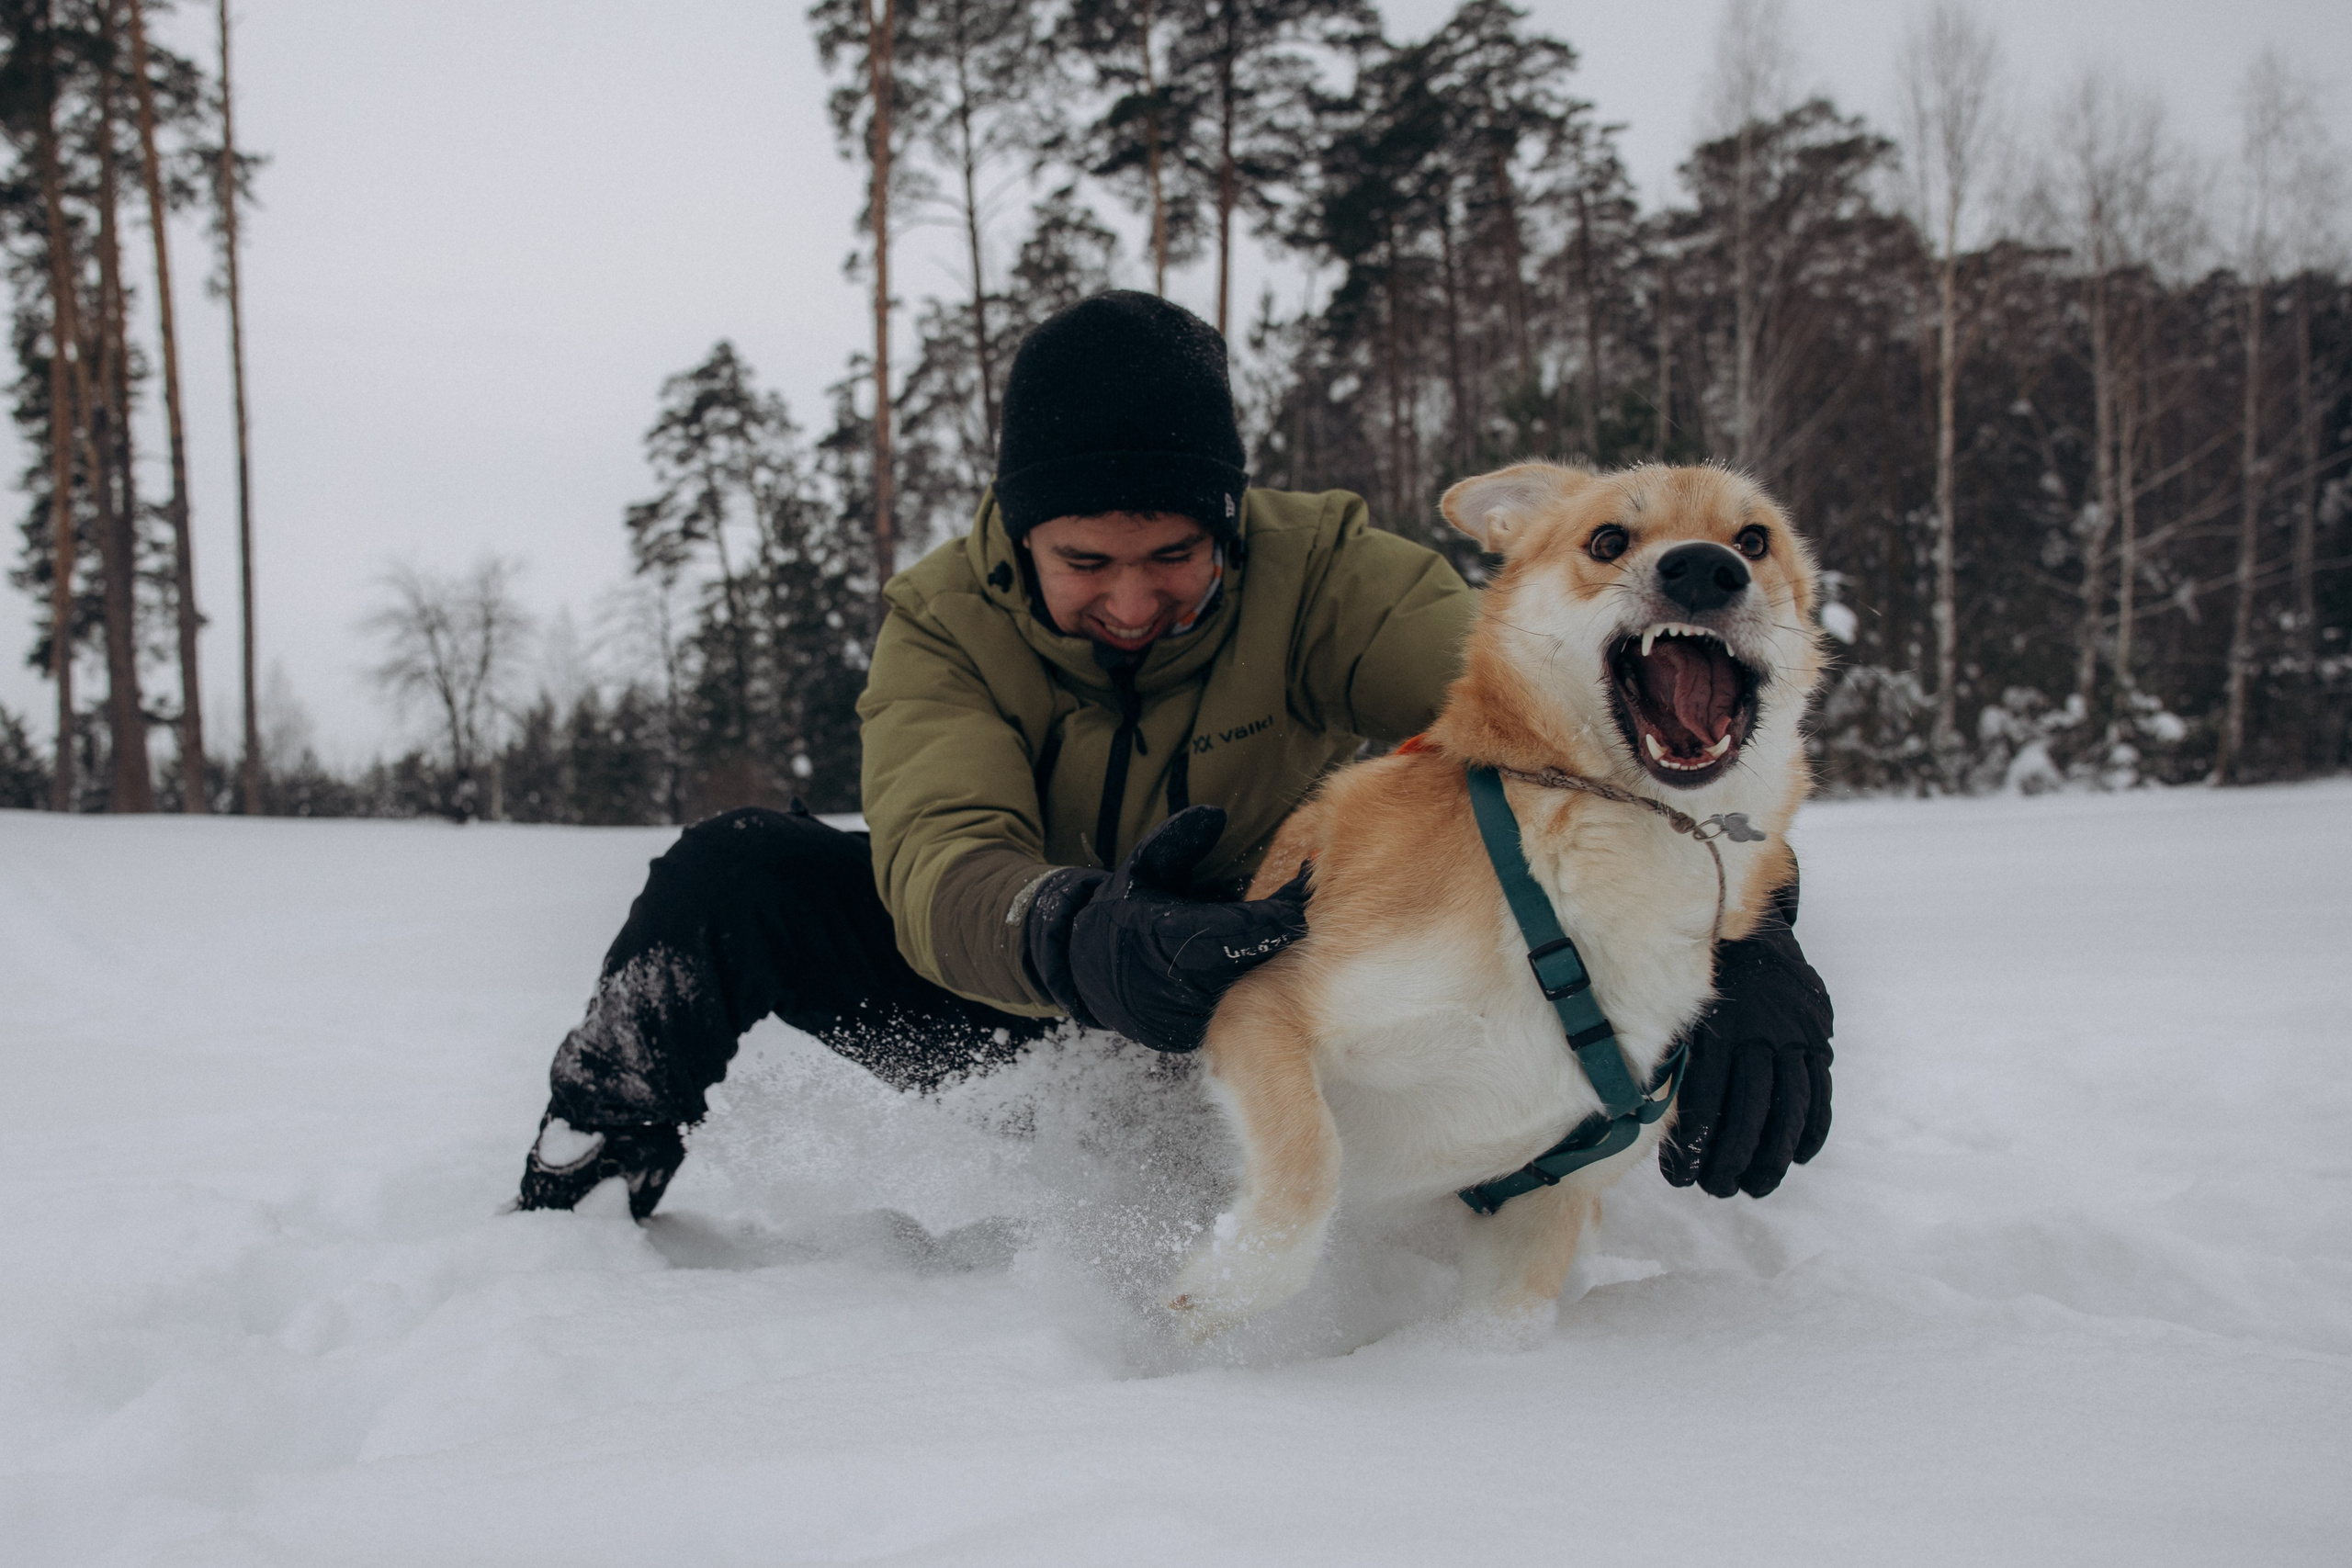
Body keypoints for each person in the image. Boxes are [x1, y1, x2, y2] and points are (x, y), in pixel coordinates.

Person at [516, 291, 1834, 1222]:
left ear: (1229, 524)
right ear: (1021, 537)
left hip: (1253, 985)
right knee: (732, 873)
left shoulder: (1324, 571)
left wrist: (1751, 936)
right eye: (1086, 563)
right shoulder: (943, 623)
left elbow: (1557, 715)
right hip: (1023, 986)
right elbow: (939, 863)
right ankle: (585, 1191)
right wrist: (1075, 934)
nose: (1133, 603)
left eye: (1175, 560)